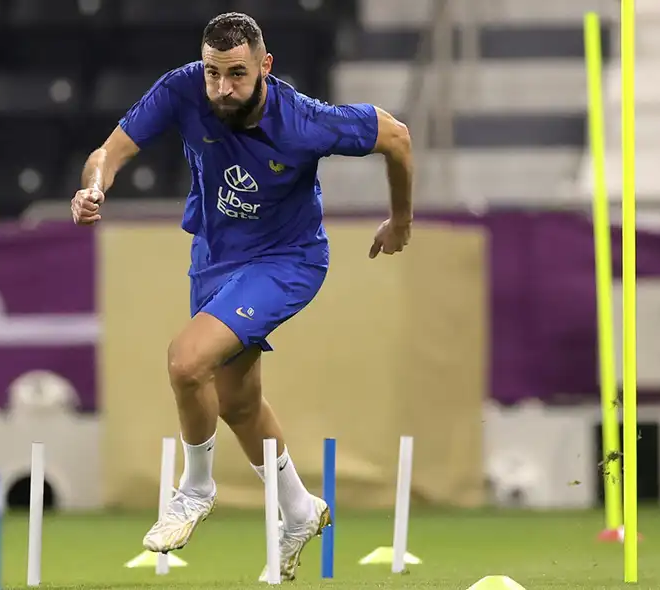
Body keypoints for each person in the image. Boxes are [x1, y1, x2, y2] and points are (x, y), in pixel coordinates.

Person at [70, 11, 414, 582]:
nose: (222, 88)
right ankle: (300, 510)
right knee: (236, 402)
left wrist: (400, 221)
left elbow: (396, 136)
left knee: (186, 363)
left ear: (264, 67)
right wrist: (93, 186)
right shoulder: (183, 88)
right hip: (213, 259)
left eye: (236, 74)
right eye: (213, 74)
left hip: (288, 260)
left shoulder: (304, 120)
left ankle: (195, 489)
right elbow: (112, 151)